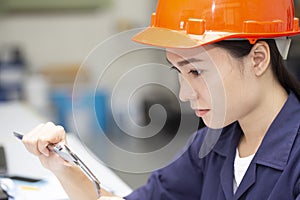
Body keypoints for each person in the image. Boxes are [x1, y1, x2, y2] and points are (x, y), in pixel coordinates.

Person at [22, 0, 300, 199]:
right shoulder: (213, 145)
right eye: (178, 71)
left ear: (258, 59)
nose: (184, 93)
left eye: (196, 70)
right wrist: (63, 167)